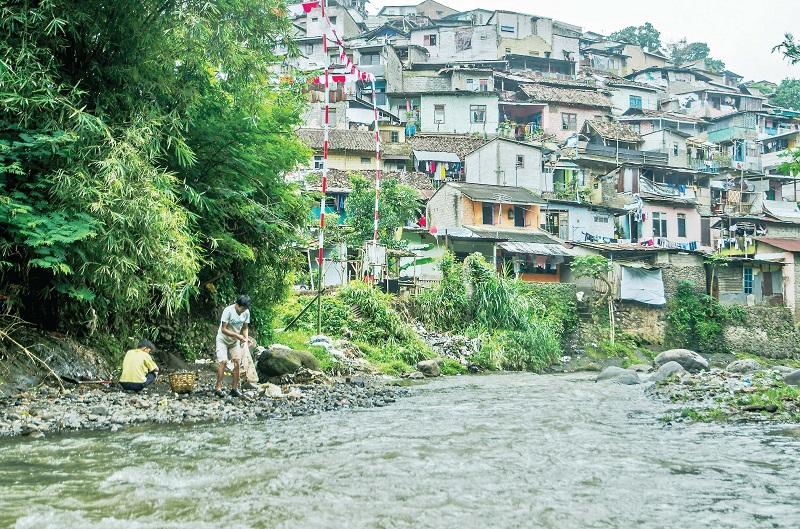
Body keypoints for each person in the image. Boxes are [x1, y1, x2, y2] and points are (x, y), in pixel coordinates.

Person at [215, 295, 252, 397]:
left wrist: (245, 338)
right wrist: (238, 336)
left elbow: (245, 327)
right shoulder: (228, 311)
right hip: (222, 339)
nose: (243, 311)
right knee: (223, 361)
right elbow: (223, 329)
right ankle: (218, 388)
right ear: (237, 304)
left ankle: (234, 389)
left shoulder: (246, 312)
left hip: (235, 341)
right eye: (242, 308)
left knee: (237, 362)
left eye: (245, 309)